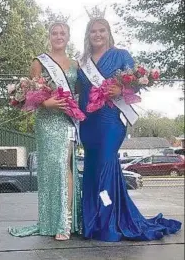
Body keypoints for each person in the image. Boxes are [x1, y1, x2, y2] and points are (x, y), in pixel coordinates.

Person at [77, 16, 181, 242]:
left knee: (105, 165)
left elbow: (135, 86)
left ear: (108, 32)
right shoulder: (82, 61)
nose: (98, 34)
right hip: (88, 123)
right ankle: (97, 218)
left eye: (101, 30)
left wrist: (120, 91)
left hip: (111, 122)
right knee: (94, 169)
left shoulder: (121, 55)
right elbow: (78, 90)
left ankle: (106, 222)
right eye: (93, 31)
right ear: (88, 35)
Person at [9, 21, 81, 240]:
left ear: (68, 36)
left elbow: (79, 94)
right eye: (54, 33)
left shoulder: (75, 64)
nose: (58, 36)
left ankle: (64, 222)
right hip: (46, 121)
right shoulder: (39, 62)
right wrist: (46, 103)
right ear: (49, 36)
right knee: (49, 170)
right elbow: (31, 94)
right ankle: (50, 220)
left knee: (63, 165)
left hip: (66, 121)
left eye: (63, 33)